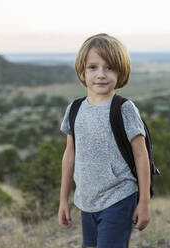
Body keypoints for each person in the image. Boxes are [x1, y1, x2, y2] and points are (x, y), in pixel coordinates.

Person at [58, 33, 151, 248]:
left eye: (109, 67)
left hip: (119, 197)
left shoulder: (124, 109)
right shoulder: (74, 109)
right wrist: (63, 199)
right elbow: (69, 155)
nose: (101, 74)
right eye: (93, 67)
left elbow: (141, 154)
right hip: (87, 201)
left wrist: (144, 202)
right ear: (82, 70)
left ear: (121, 71)